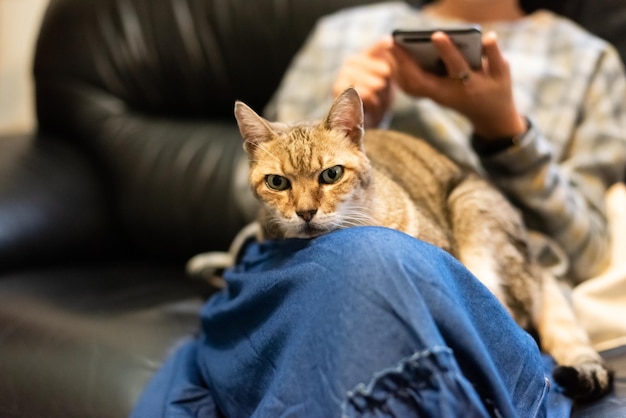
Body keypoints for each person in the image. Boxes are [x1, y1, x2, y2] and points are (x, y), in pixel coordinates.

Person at [132, 0, 626, 417]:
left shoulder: (588, 59)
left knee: (372, 256)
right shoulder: (342, 30)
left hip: (472, 270)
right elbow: (255, 191)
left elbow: (590, 249)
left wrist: (506, 132)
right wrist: (342, 115)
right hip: (291, 257)